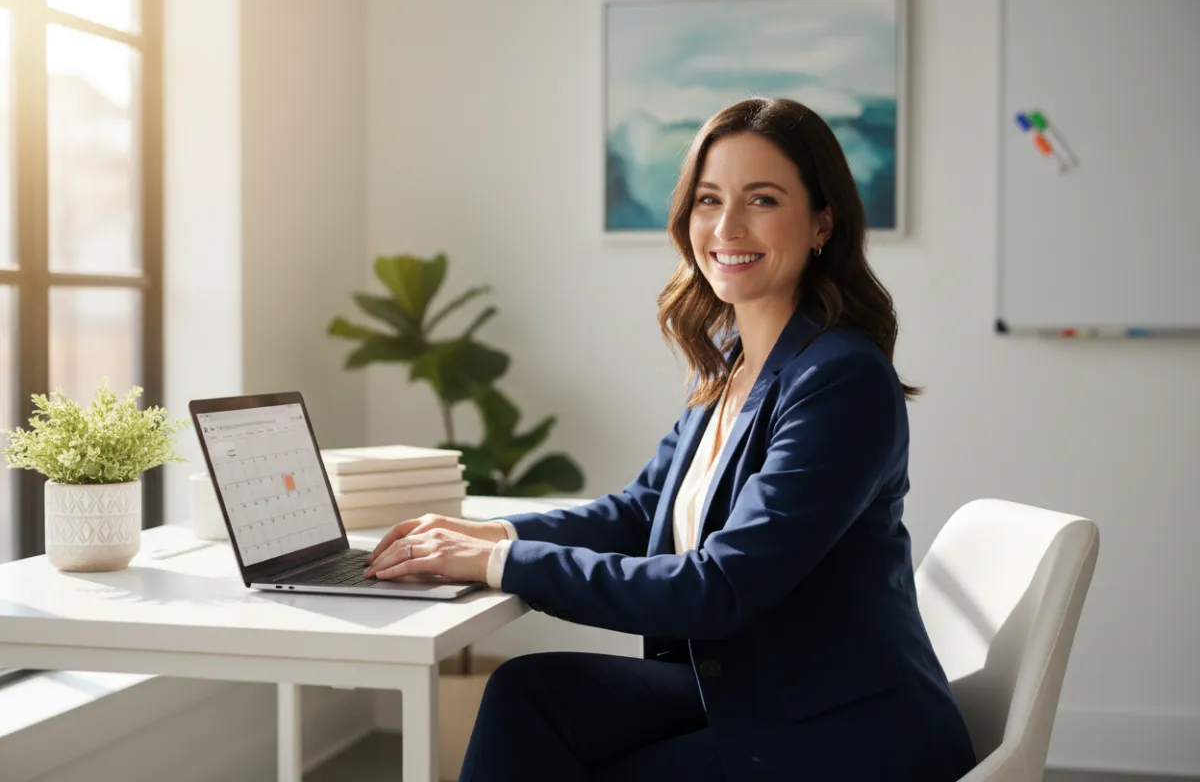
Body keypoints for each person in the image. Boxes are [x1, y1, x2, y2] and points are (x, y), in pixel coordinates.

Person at [363, 97, 978, 781]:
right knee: (528, 695)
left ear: (822, 223)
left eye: (763, 200)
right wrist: (493, 537)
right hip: (761, 690)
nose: (726, 226)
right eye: (708, 200)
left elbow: (720, 587)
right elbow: (638, 511)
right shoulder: (736, 363)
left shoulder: (841, 381)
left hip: (844, 733)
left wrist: (497, 568)